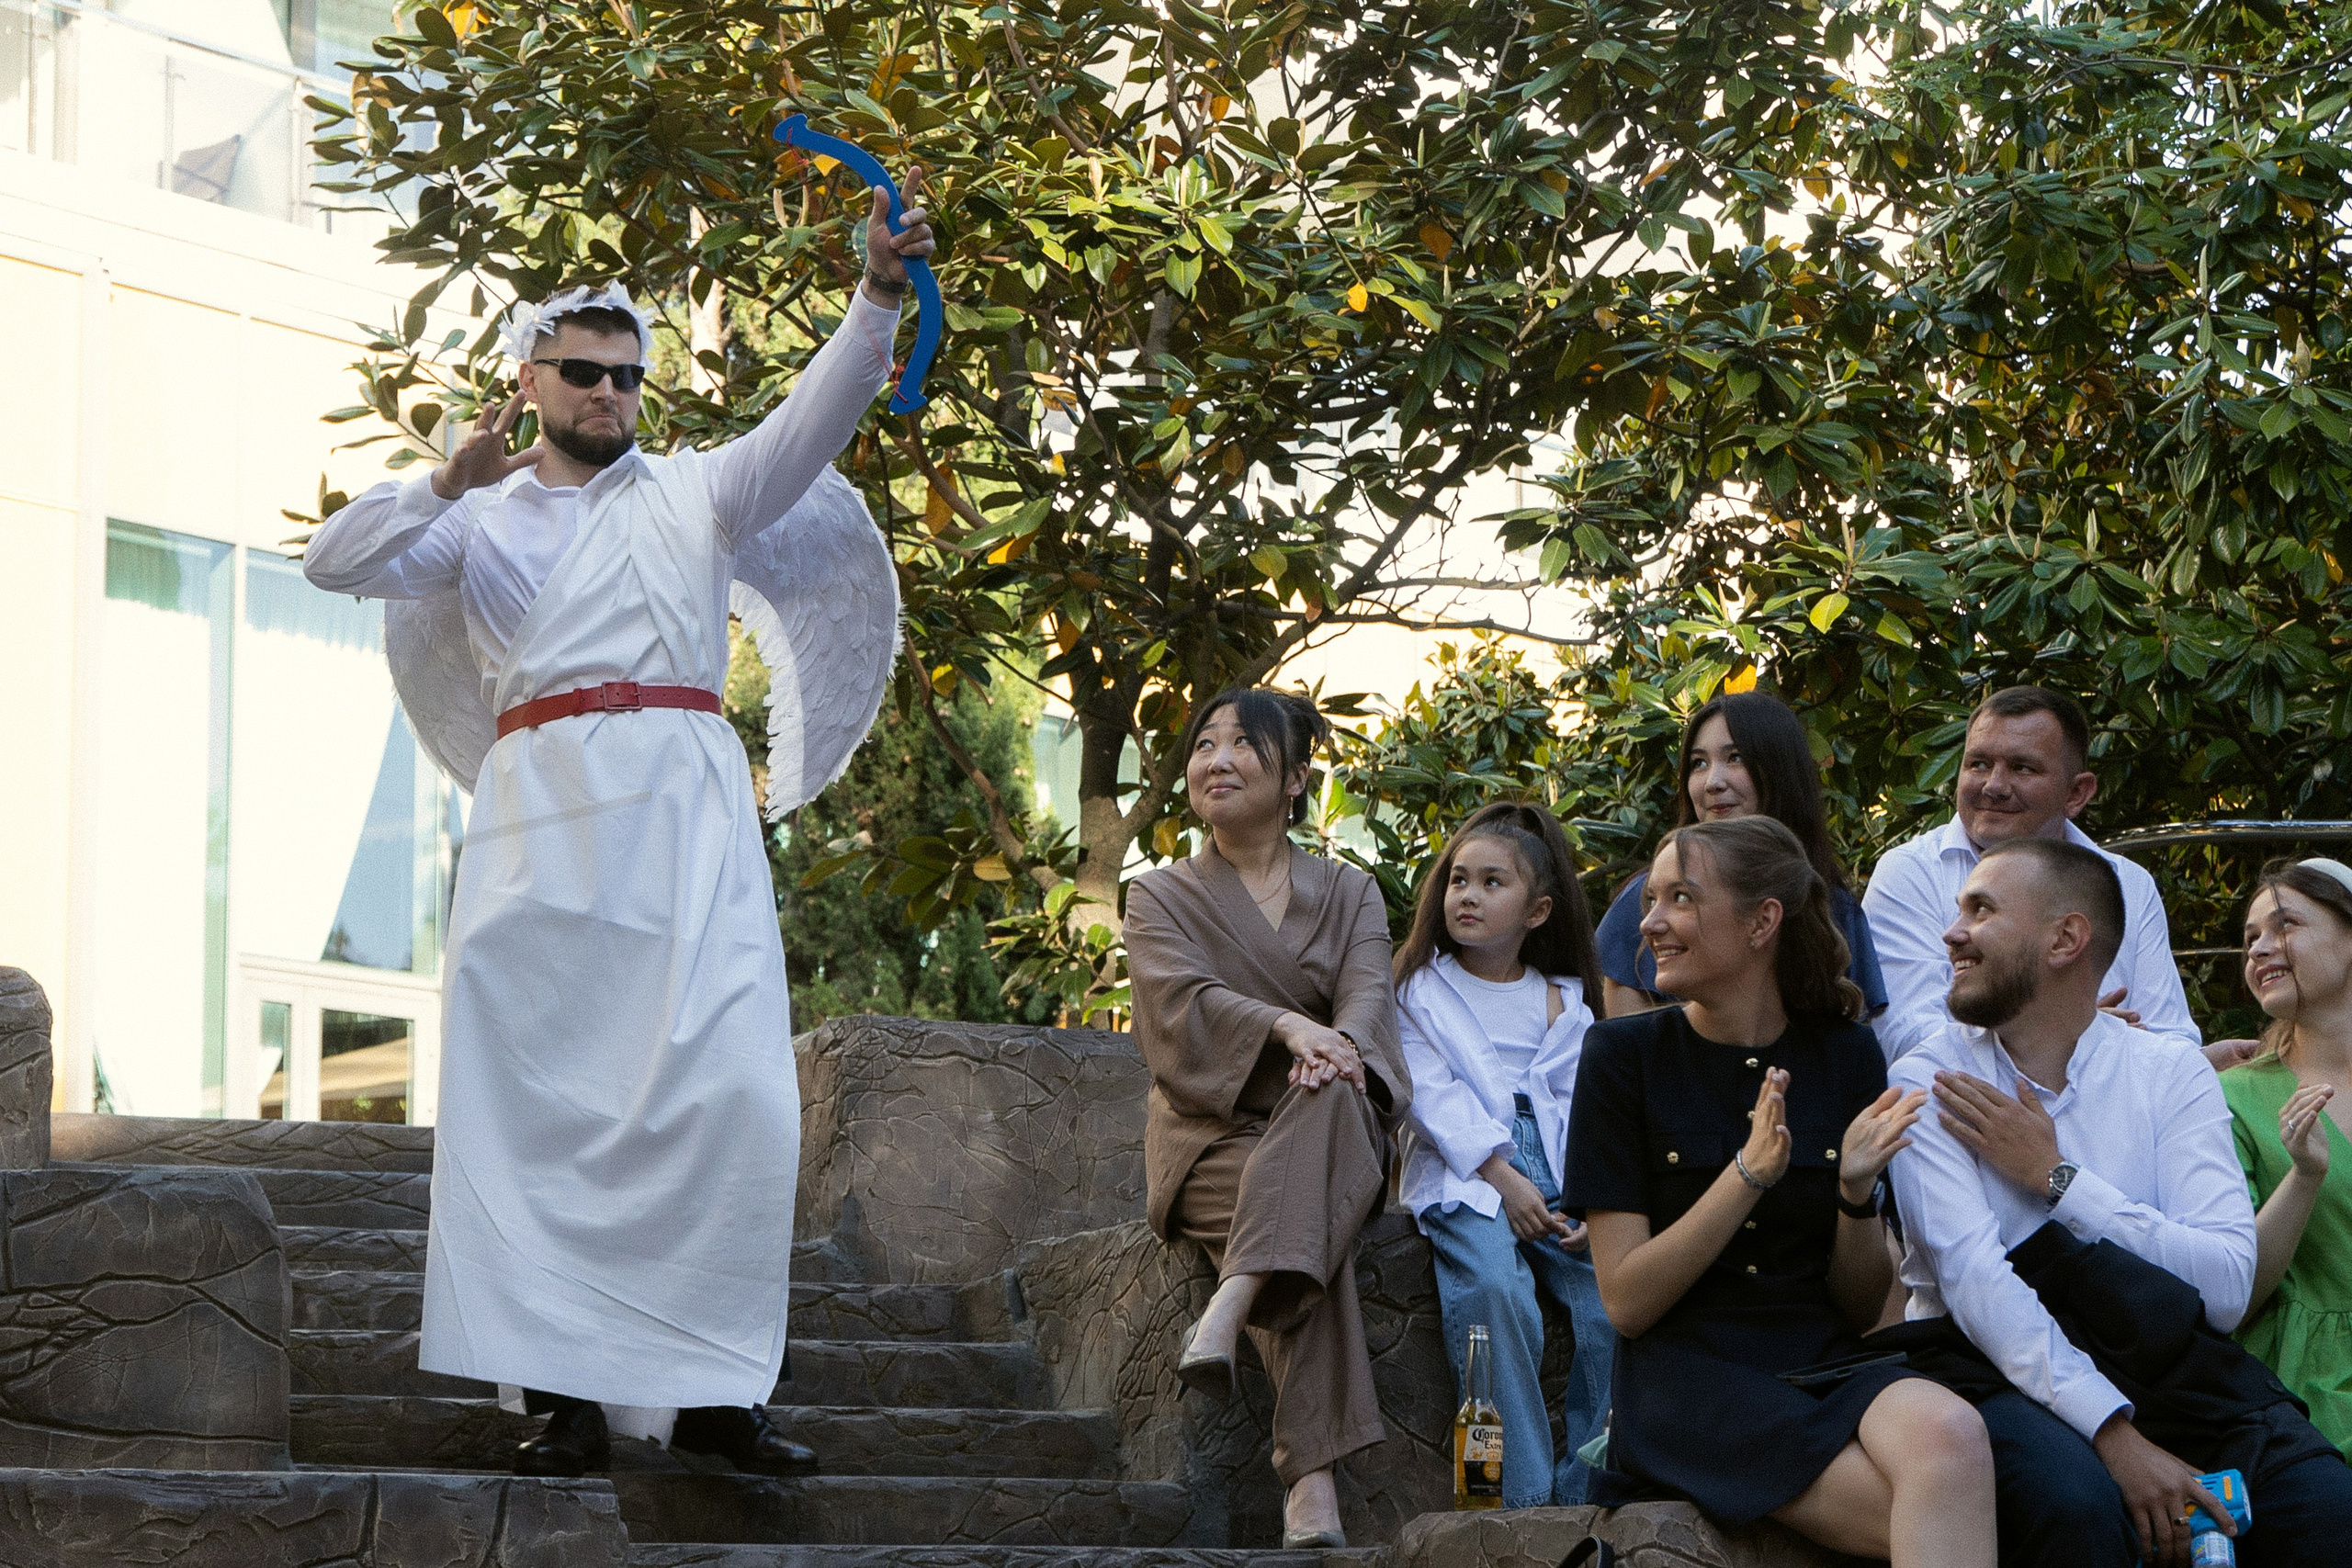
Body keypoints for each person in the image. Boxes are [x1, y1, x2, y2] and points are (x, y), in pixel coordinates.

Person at [301, 179, 937, 1475]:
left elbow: (814, 419)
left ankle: (712, 1398)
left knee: (733, 1097)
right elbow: (333, 559)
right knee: (535, 1107)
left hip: (686, 822)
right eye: (583, 372)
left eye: (627, 376)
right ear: (527, 382)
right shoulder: (473, 523)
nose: (608, 393)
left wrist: (877, 292)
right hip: (542, 825)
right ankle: (565, 1402)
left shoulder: (698, 494)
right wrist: (441, 482)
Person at [1885, 837, 2352, 1568]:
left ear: (2065, 938)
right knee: (2076, 1505)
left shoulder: (2168, 1070)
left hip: (2172, 1364)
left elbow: (2225, 1287)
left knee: (2326, 1506)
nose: (1952, 933)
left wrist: (2059, 1180)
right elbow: (1977, 1285)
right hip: (1992, 1369)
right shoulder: (1930, 1077)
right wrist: (2112, 1432)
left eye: (1981, 910)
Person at [1564, 817, 1995, 1568]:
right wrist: (1747, 1176)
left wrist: (1854, 1194)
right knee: (1933, 1509)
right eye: (1653, 898)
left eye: (1680, 897)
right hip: (1688, 1382)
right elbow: (1626, 1301)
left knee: (1954, 1435)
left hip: (1822, 1359)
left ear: (1762, 921)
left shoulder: (1845, 1054)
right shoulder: (1620, 1056)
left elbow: (1861, 1306)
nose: (1650, 921)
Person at [1122, 687, 1412, 1550]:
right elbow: (1179, 1009)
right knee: (1298, 1207)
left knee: (1333, 1097)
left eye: (1243, 743)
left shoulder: (1351, 891)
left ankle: (1234, 1298)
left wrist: (1337, 1048)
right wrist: (1290, 1026)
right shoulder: (1158, 896)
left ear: (1295, 778)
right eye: (1203, 744)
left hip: (1327, 1114)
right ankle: (1311, 1480)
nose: (1216, 759)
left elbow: (1368, 999)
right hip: (1209, 1136)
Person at [1394, 801, 1614, 1507]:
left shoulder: (1564, 1000)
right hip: (1468, 1171)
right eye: (1459, 879)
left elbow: (1585, 1105)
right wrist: (1503, 1175)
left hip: (1560, 1168)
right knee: (1491, 1292)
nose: (1468, 894)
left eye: (1493, 882)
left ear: (1538, 911)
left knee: (1614, 1300)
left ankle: (1589, 1490)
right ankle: (1501, 1496)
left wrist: (1590, 1197)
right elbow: (1430, 1093)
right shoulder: (1419, 989)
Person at [1862, 684, 2201, 1063]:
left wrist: (2075, 1047)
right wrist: (2074, 1037)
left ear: (2076, 793)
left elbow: (2173, 1041)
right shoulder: (1911, 873)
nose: (1993, 786)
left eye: (2022, 768)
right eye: (1978, 764)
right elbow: (1910, 1040)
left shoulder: (2128, 883)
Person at [1594, 690, 1884, 1022]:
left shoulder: (1837, 910)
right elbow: (1625, 1040)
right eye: (1699, 763)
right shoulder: (1646, 899)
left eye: (1735, 758)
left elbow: (1852, 1036)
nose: (1713, 782)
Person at [2223, 857, 2352, 1459]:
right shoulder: (2232, 1098)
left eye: (2286, 925)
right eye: (2251, 937)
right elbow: (2232, 1295)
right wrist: (2304, 1177)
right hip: (2303, 1395)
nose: (2259, 948)